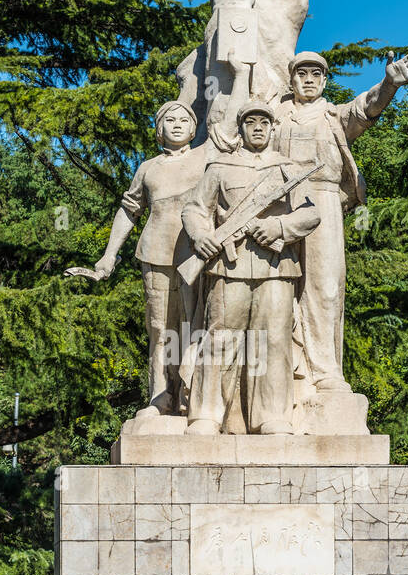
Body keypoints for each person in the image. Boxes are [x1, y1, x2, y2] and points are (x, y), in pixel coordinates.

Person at [272, 49, 408, 395]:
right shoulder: (275, 116)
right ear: (291, 80)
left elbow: (366, 106)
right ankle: (281, 370)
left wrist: (389, 84)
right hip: (277, 205)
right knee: (277, 287)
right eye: (302, 74)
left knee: (325, 288)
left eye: (316, 74)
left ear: (325, 81)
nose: (308, 80)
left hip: (323, 201)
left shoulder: (332, 116)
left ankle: (324, 371)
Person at [181, 99, 320, 435]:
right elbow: (194, 210)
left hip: (277, 267)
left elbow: (311, 213)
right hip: (229, 266)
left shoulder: (288, 169)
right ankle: (207, 414)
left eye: (264, 123)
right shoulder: (220, 167)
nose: (258, 128)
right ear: (240, 129)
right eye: (250, 122)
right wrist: (201, 237)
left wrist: (279, 228)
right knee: (220, 340)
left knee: (274, 342)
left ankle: (272, 416)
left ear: (273, 128)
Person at [78, 101, 207, 416]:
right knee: (159, 328)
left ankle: (193, 394)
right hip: (155, 252)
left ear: (194, 127)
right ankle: (160, 396)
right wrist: (109, 255)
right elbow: (129, 209)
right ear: (159, 131)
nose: (177, 124)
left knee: (195, 324)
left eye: (184, 119)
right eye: (169, 120)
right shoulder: (148, 167)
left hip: (196, 253)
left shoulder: (207, 159)